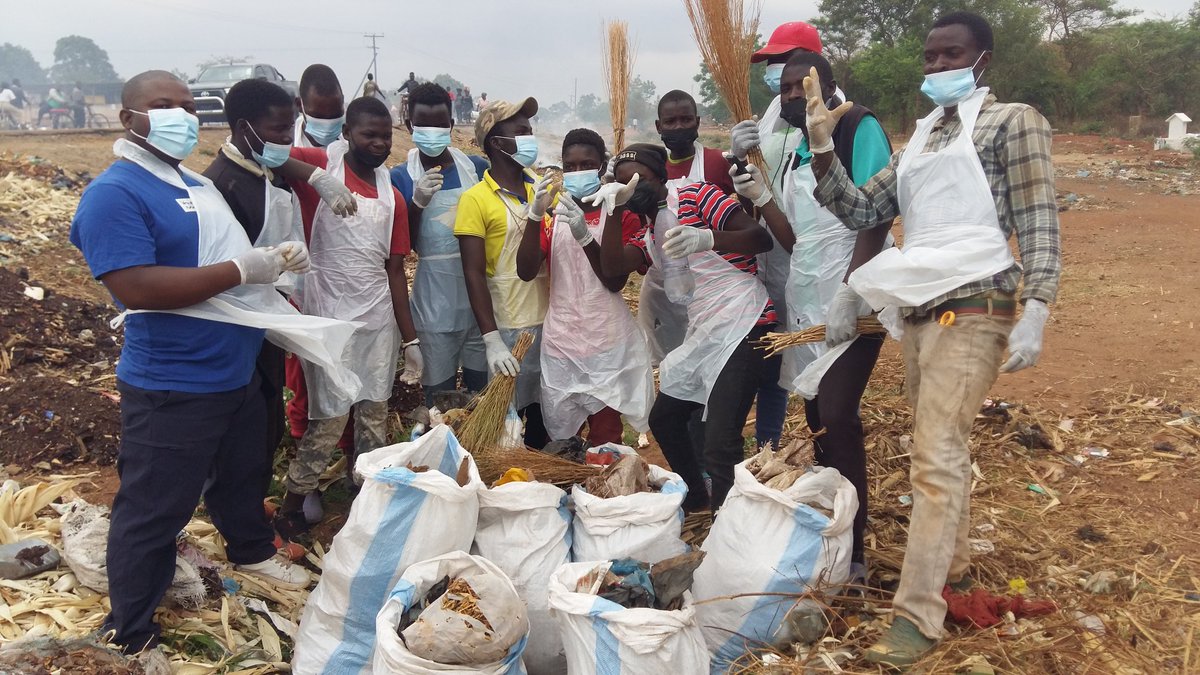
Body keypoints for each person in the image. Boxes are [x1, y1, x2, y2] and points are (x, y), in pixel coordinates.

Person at [806, 11, 1061, 666]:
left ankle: (918, 616)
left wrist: (1037, 305)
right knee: (944, 446)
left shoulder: (1013, 123)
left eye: (953, 55)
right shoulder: (920, 139)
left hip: (977, 304)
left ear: (983, 61)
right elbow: (864, 210)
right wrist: (823, 150)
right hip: (923, 311)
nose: (939, 67)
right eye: (930, 57)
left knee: (935, 452)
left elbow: (1036, 216)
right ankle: (957, 571)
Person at [69, 70, 312, 668]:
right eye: (162, 105)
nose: (180, 115)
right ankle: (131, 631)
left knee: (242, 472)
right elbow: (135, 285)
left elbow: (225, 248)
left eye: (186, 105)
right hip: (174, 381)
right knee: (154, 508)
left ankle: (251, 550)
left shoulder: (190, 183)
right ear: (130, 118)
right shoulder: (116, 193)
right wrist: (242, 272)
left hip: (232, 367)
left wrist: (273, 262)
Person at [729, 49, 893, 581]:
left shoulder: (857, 127)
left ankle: (858, 552)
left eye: (806, 85)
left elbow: (876, 213)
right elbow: (801, 240)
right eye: (789, 89)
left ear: (829, 83)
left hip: (854, 301)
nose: (797, 95)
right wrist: (763, 199)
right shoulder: (801, 145)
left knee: (840, 414)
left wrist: (855, 289)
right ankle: (831, 528)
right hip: (807, 301)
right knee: (818, 417)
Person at [592, 143, 778, 511]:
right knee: (665, 418)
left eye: (639, 179)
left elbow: (760, 239)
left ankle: (728, 528)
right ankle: (697, 498)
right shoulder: (646, 232)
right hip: (708, 331)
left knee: (720, 442)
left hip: (746, 321)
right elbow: (613, 268)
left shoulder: (697, 195)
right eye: (623, 182)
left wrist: (708, 237)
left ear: (661, 176)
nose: (633, 186)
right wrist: (612, 207)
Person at [202, 78, 357, 510]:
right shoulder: (220, 186)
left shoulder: (267, 173)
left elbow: (285, 198)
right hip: (233, 322)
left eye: (291, 128)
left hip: (266, 316)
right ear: (243, 127)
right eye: (277, 131)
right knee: (240, 426)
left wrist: (293, 256)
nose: (287, 139)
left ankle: (251, 505)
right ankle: (238, 515)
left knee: (264, 417)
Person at [274, 96, 421, 538]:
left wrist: (410, 340)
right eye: (367, 134)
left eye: (385, 136)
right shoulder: (323, 166)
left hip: (377, 320)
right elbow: (269, 155)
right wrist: (316, 178)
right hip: (331, 319)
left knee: (374, 418)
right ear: (346, 134)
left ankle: (367, 500)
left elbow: (395, 269)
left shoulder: (392, 195)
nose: (378, 144)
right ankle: (293, 502)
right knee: (329, 418)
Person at [515, 129, 653, 446]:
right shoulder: (554, 216)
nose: (578, 172)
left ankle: (605, 493)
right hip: (562, 343)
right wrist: (535, 215)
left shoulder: (622, 214)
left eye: (586, 164)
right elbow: (525, 270)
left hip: (606, 343)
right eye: (571, 166)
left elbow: (615, 281)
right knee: (563, 439)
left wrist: (589, 233)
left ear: (602, 164)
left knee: (606, 437)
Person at [730, 21, 827, 449]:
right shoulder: (772, 113)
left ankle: (829, 444)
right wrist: (738, 157)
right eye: (770, 64)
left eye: (782, 61)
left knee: (819, 360)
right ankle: (768, 443)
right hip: (769, 253)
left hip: (812, 255)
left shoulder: (831, 114)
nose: (776, 73)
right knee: (771, 354)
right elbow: (756, 174)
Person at [454, 97, 551, 449]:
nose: (530, 138)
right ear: (496, 143)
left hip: (551, 320)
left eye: (530, 131)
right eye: (521, 132)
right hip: (509, 322)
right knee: (507, 423)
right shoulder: (476, 199)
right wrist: (491, 339)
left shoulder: (539, 191)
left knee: (544, 413)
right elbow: (473, 272)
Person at [390, 83, 490, 405]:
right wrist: (416, 203)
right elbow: (405, 245)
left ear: (450, 125)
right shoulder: (402, 178)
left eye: (440, 125)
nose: (433, 132)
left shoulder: (474, 168)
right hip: (435, 303)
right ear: (410, 126)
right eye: (424, 125)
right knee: (441, 397)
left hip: (479, 298)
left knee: (481, 391)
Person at [641, 90, 737, 365]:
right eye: (670, 122)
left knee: (708, 363)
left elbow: (742, 216)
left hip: (711, 285)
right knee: (667, 366)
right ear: (659, 127)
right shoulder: (652, 169)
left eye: (685, 119)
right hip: (662, 288)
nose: (679, 127)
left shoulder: (717, 162)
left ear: (697, 122)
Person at [294, 64, 345, 149]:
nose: (328, 124)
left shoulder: (355, 145)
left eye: (335, 116)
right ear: (299, 105)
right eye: (318, 116)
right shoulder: (284, 144)